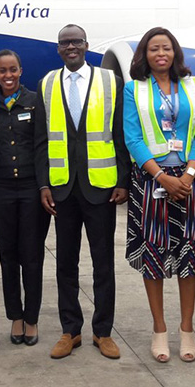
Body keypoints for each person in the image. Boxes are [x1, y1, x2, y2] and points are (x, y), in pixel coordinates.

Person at [35, 24, 129, 360]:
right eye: (64, 43)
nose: (70, 47)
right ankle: (70, 330)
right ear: (58, 49)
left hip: (102, 188)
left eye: (76, 41)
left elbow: (120, 133)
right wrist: (43, 183)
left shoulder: (110, 81)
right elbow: (42, 141)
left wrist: (123, 180)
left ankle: (102, 332)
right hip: (62, 189)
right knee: (66, 263)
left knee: (103, 263)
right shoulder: (47, 83)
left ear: (86, 45)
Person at [122, 27, 195, 363]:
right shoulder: (135, 89)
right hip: (150, 180)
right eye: (154, 48)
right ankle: (159, 329)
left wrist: (187, 175)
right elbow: (132, 137)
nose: (161, 53)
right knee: (154, 255)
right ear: (144, 54)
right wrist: (161, 176)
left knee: (189, 255)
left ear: (175, 53)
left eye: (167, 48)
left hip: (188, 180)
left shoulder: (193, 85)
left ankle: (186, 329)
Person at [0, 49, 50, 346]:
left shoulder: (35, 102)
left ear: (21, 70)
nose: (8, 75)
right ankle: (15, 315)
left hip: (29, 188)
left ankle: (32, 318)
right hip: (0, 189)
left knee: (32, 256)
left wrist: (43, 187)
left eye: (13, 69)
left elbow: (42, 147)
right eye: (2, 70)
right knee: (7, 256)